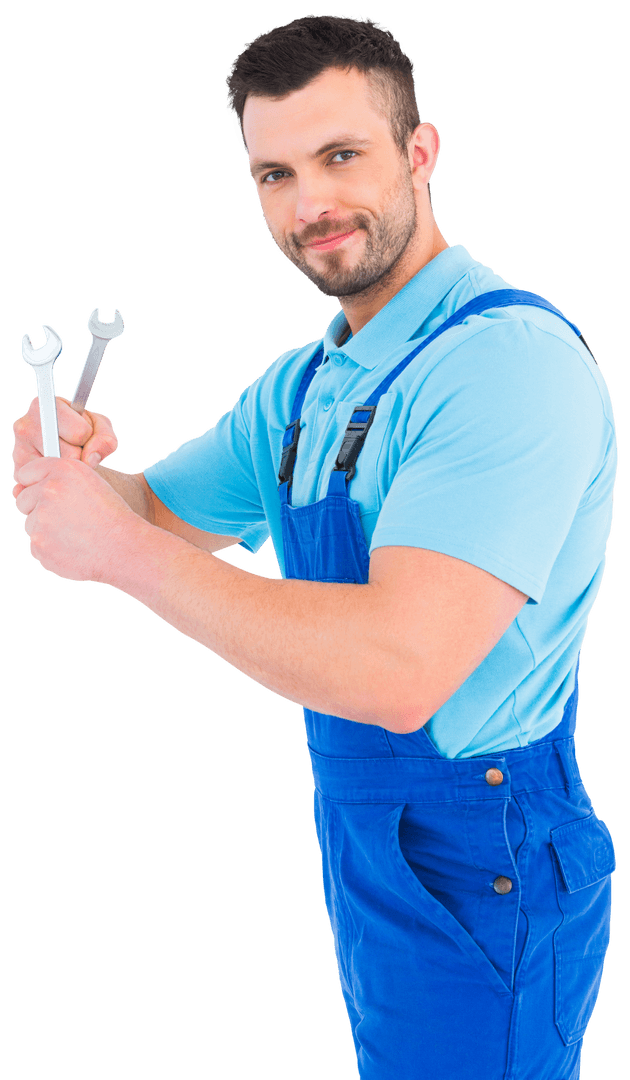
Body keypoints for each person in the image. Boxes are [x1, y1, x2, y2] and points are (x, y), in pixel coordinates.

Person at [12, 14, 617, 1080]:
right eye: (274, 173)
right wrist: (68, 469)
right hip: (365, 842)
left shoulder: (506, 368)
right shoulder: (306, 387)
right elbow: (149, 510)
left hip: (487, 858)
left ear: (419, 153)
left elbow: (397, 672)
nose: (310, 205)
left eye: (342, 157)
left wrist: (116, 547)